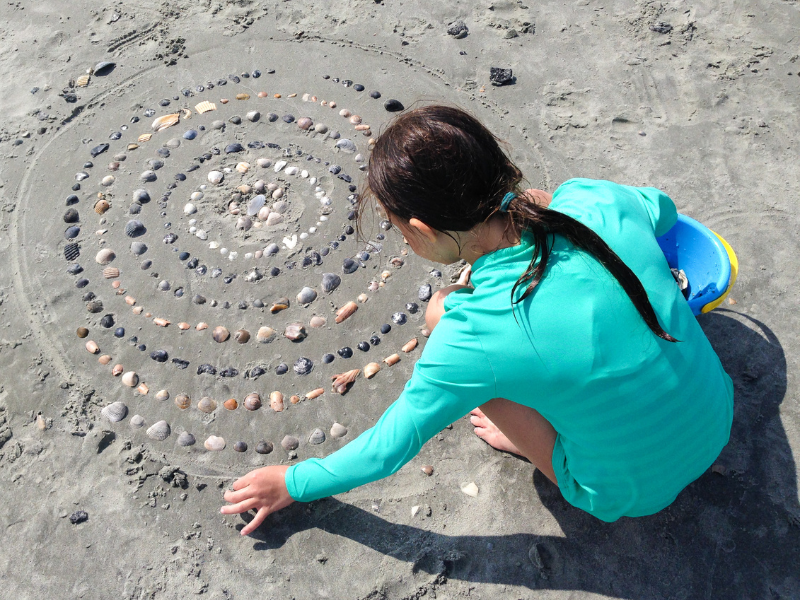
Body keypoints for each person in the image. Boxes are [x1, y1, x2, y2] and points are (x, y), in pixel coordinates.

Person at [221, 105, 734, 535]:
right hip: (717, 417)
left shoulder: (470, 337)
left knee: (450, 325)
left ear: (421, 231)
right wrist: (557, 207)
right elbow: (663, 214)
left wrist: (291, 482)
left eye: (401, 232)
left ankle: (528, 441)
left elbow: (385, 451)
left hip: (629, 490)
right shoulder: (595, 199)